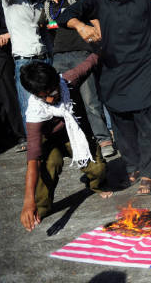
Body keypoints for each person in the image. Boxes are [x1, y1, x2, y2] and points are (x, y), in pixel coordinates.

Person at [58, 0, 151, 196]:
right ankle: (132, 165)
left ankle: (149, 171)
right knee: (120, 121)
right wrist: (80, 25)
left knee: (145, 120)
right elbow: (65, 14)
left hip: (143, 66)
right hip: (113, 69)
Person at [19, 56, 112, 232]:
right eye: (43, 97)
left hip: (74, 135)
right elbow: (33, 159)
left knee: (98, 170)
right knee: (49, 168)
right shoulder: (35, 114)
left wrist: (104, 44)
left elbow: (90, 62)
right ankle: (39, 207)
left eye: (52, 93)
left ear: (57, 82)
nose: (49, 100)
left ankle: (95, 185)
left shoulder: (68, 80)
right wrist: (28, 201)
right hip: (49, 142)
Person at [41, 0, 117, 158]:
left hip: (81, 54)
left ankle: (104, 139)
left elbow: (94, 16)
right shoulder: (46, 5)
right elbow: (46, 27)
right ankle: (76, 141)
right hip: (58, 57)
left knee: (91, 100)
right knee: (65, 103)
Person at [0, 0, 49, 147]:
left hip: (43, 58)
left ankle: (50, 142)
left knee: (48, 103)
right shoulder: (11, 0)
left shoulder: (38, 4)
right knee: (29, 106)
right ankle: (34, 147)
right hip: (24, 62)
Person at [0, 0, 26, 151]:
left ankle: (20, 134)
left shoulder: (3, 3)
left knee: (8, 96)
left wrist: (5, 36)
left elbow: (15, 27)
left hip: (1, 58)